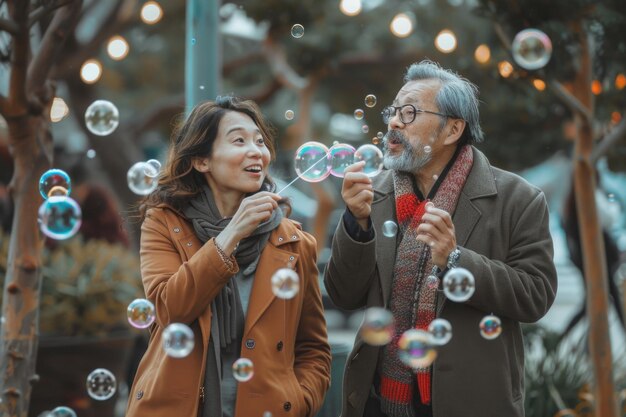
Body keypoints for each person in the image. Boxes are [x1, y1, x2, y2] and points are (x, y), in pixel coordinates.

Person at [324, 60, 557, 417]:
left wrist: (456, 259)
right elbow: (343, 294)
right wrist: (356, 225)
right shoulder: (375, 194)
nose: (393, 122)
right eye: (393, 111)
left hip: (472, 401)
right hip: (379, 402)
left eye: (410, 112)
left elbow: (535, 296)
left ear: (452, 130)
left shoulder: (517, 199)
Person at [126, 96, 331, 417]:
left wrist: (299, 400)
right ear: (201, 161)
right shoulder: (164, 223)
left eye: (260, 141)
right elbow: (170, 309)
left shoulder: (294, 242)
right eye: (239, 140)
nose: (256, 151)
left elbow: (314, 348)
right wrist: (231, 234)